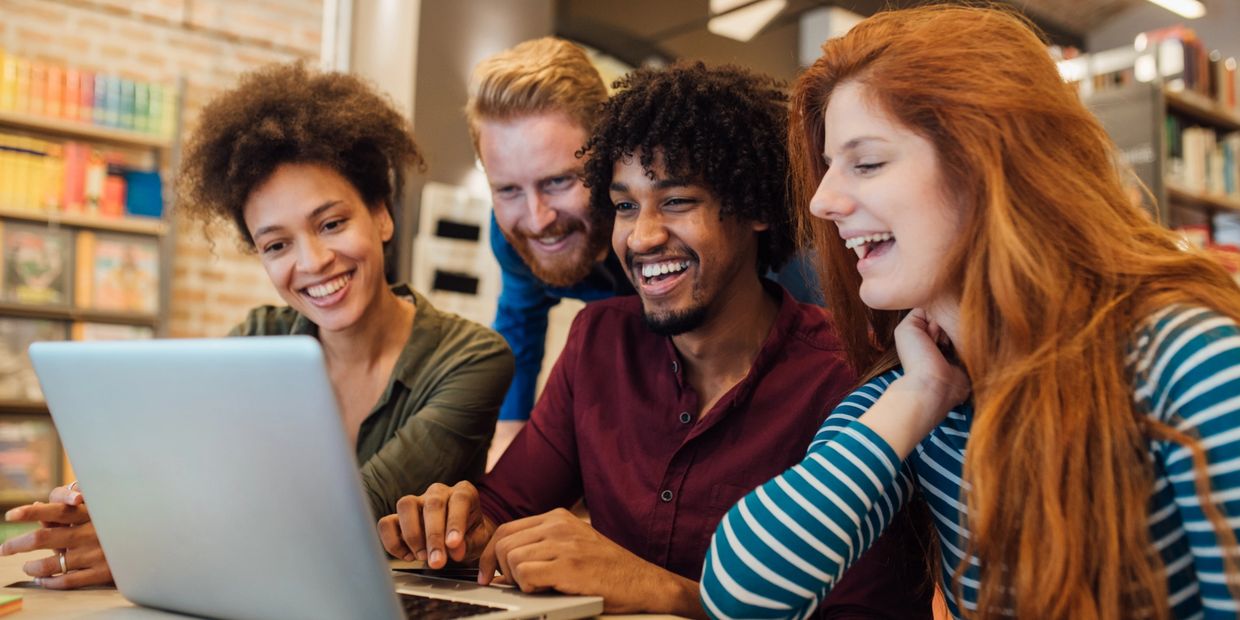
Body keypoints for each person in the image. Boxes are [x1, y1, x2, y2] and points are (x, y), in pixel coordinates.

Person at [701, 5, 1240, 619]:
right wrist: (917, 397)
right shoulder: (920, 389)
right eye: (827, 168)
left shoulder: (1183, 358)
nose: (822, 202)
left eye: (868, 162)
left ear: (991, 165)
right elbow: (742, 598)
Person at [379, 62, 932, 617]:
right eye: (624, 206)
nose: (642, 236)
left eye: (676, 201)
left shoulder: (848, 378)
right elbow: (505, 503)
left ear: (757, 209)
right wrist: (457, 523)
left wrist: (667, 592)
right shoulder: (599, 342)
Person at [0, 62, 513, 590]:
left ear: (382, 216)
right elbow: (177, 464)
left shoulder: (471, 358)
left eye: (331, 223)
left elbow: (355, 515)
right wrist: (101, 504)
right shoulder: (259, 337)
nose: (311, 261)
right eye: (277, 245)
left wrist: (145, 544)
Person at [467, 37, 631, 425]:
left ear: (607, 157)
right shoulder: (512, 236)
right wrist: (506, 442)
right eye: (508, 189)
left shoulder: (658, 226)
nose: (537, 220)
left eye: (558, 181)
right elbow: (519, 331)